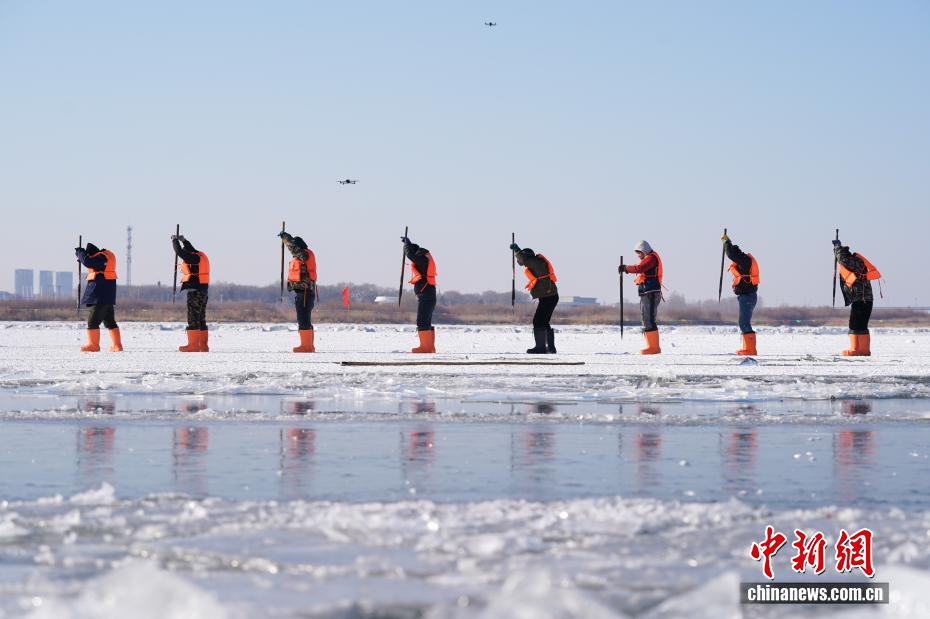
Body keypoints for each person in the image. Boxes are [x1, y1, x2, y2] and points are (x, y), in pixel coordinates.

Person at [833, 238, 881, 356]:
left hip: (862, 298)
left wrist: (837, 248)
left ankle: (856, 349)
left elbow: (843, 260)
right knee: (859, 324)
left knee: (855, 324)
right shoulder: (856, 261)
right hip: (862, 298)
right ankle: (863, 350)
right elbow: (843, 260)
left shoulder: (854, 261)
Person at [510, 242, 559, 354]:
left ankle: (540, 348)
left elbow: (525, 260)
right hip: (549, 297)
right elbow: (524, 261)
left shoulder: (537, 262)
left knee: (538, 321)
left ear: (528, 256)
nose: (521, 263)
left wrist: (517, 250)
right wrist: (519, 254)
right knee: (543, 322)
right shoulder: (536, 263)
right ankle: (550, 348)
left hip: (549, 297)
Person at [75, 242, 122, 352]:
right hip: (107, 296)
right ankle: (117, 345)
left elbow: (87, 261)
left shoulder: (100, 258)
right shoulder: (106, 256)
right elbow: (90, 262)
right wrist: (82, 257)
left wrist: (80, 253)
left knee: (92, 321)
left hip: (100, 296)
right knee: (110, 321)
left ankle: (93, 345)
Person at [619, 241, 663, 354]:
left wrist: (626, 268)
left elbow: (640, 268)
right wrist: (627, 269)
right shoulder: (648, 258)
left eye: (639, 253)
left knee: (649, 319)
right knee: (645, 318)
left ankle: (654, 347)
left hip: (651, 293)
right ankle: (651, 346)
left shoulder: (651, 258)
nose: (638, 256)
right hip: (646, 292)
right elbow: (640, 268)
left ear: (644, 250)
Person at [278, 231, 318, 352]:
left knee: (303, 319)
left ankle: (307, 346)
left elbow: (295, 250)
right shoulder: (304, 256)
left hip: (305, 293)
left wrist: (286, 239)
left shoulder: (304, 254)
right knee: (304, 318)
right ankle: (308, 345)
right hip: (303, 292)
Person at [722, 232, 760, 355]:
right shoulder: (744, 260)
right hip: (747, 296)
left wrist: (726, 243)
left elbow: (731, 254)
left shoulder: (745, 261)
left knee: (744, 323)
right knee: (743, 322)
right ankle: (748, 348)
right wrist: (729, 243)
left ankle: (750, 350)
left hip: (747, 297)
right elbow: (733, 254)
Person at [172, 234, 210, 352]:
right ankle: (203, 346)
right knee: (201, 318)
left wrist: (174, 241)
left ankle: (193, 345)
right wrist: (184, 241)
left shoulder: (194, 258)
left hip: (195, 291)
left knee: (193, 317)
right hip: (203, 290)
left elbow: (179, 252)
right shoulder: (201, 255)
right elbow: (190, 248)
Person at [403, 235, 437, 353]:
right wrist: (409, 244)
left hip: (426, 295)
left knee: (422, 321)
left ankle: (426, 348)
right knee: (425, 321)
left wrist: (406, 246)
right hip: (428, 295)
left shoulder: (423, 261)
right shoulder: (425, 258)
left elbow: (410, 255)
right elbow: (413, 253)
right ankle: (430, 347)